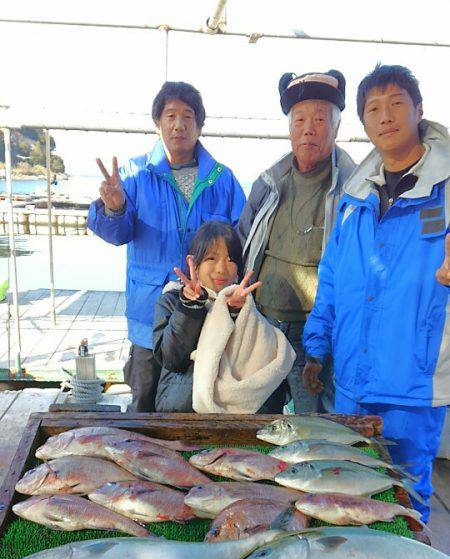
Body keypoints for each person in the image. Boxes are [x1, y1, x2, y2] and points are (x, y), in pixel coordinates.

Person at [303, 64, 450, 521]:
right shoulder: (353, 197)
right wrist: (316, 346)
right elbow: (331, 275)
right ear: (364, 124)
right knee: (349, 488)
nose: (385, 116)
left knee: (406, 494)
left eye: (396, 104)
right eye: (373, 109)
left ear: (419, 110)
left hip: (414, 381)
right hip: (350, 377)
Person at [87, 81, 245, 411]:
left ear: (200, 125)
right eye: (170, 115)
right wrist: (115, 207)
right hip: (149, 318)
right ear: (157, 122)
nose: (178, 124)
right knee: (143, 402)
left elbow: (240, 243)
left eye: (188, 116)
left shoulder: (224, 179)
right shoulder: (133, 174)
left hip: (205, 315)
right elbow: (116, 233)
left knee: (194, 402)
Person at [238, 69, 355, 413]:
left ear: (336, 128)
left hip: (317, 337)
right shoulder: (268, 182)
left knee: (312, 422)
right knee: (258, 418)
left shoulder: (355, 188)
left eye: (320, 119)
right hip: (264, 326)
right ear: (289, 128)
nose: (309, 128)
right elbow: (243, 239)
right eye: (300, 119)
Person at [153, 221, 295, 413]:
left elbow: (263, 353)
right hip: (184, 410)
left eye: (230, 259)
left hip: (238, 413)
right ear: (193, 263)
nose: (221, 268)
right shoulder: (172, 300)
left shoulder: (247, 304)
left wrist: (237, 313)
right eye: (211, 258)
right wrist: (191, 306)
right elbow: (172, 359)